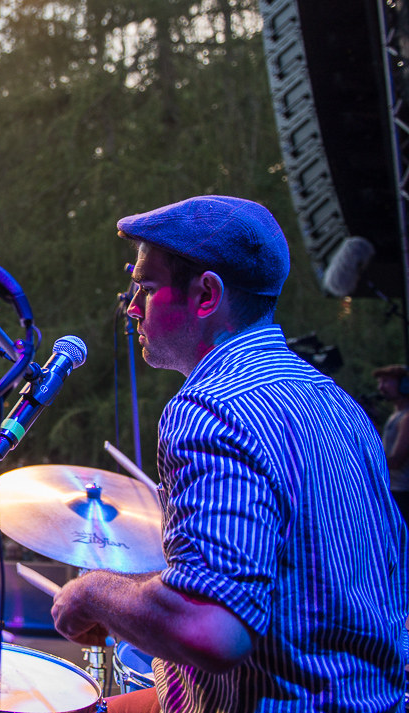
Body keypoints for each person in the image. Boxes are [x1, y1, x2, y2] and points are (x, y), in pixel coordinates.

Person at [50, 196, 409, 712]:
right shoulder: (339, 404)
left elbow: (210, 629)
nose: (132, 306)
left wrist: (92, 593)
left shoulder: (210, 408)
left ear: (205, 295)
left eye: (146, 289)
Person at [374, 364, 409, 525]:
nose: (381, 387)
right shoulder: (396, 415)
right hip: (395, 490)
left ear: (404, 384)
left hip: (402, 492)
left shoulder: (406, 418)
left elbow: (395, 461)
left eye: (386, 381)